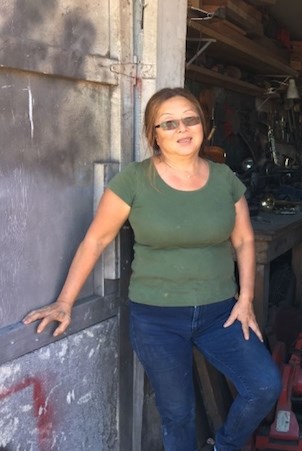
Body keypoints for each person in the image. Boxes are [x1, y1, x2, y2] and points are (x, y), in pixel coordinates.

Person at [23, 87, 282, 451]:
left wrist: (247, 299)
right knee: (177, 413)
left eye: (190, 119)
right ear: (154, 134)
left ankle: (224, 446)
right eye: (170, 123)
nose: (183, 129)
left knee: (264, 384)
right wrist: (65, 302)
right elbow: (95, 241)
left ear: (203, 126)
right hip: (156, 318)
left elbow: (243, 241)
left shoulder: (225, 179)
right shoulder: (134, 180)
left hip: (220, 312)